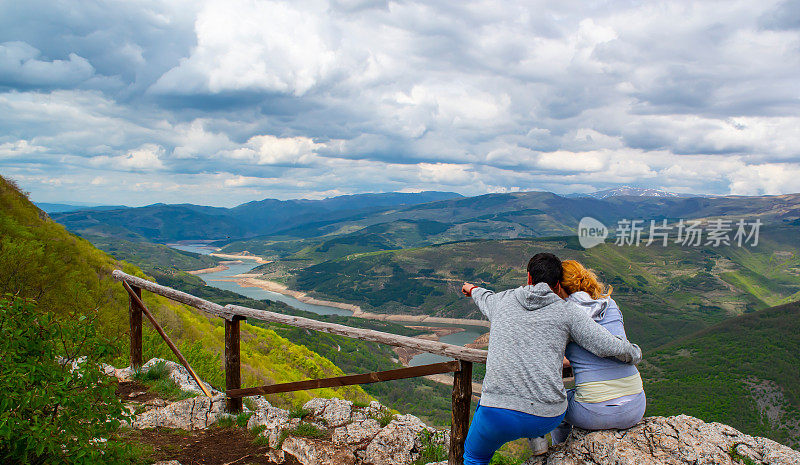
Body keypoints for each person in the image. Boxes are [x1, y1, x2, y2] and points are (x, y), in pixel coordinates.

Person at [460, 253, 642, 465]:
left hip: (497, 414)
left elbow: (485, 298)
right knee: (549, 402)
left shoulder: (502, 300)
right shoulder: (568, 312)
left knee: (474, 457)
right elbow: (607, 346)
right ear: (557, 285)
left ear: (528, 278)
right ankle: (559, 454)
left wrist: (472, 289)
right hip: (546, 417)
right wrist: (635, 352)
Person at [548, 260, 646, 444]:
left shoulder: (563, 315)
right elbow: (609, 345)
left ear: (558, 287)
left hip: (594, 412)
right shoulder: (610, 304)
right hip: (636, 406)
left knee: (554, 406)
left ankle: (560, 451)